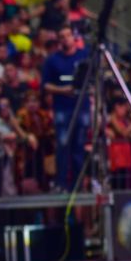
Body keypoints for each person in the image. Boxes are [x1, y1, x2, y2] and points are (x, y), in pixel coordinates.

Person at [42, 25, 88, 192]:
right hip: (62, 109)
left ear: (73, 37)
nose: (65, 39)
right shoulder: (52, 60)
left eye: (67, 35)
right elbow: (45, 85)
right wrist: (63, 90)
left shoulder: (84, 57)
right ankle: (61, 183)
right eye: (61, 36)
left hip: (82, 108)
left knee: (79, 147)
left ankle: (78, 184)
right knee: (62, 147)